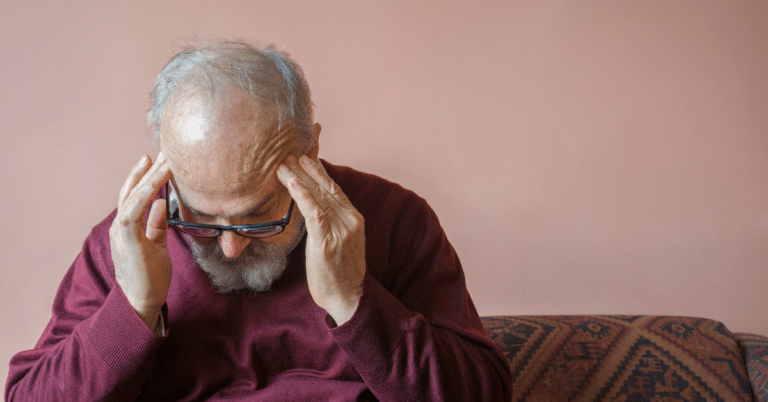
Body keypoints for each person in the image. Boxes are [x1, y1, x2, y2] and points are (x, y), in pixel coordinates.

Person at [6, 40, 511, 401]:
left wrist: (352, 299)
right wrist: (134, 307)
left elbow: (484, 392)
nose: (229, 249)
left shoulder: (396, 219)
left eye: (256, 219)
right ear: (167, 164)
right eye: (201, 219)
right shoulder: (132, 238)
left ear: (310, 150)